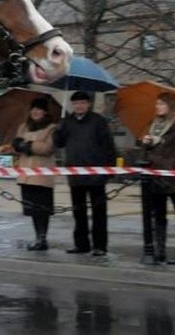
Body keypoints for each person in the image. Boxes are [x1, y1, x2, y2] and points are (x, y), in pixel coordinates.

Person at [53, 91, 116, 256]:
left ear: (88, 104)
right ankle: (81, 244)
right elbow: (59, 143)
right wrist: (58, 130)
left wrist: (109, 170)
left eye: (82, 103)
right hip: (75, 175)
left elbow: (109, 145)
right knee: (78, 212)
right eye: (76, 103)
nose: (79, 106)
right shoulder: (67, 122)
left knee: (98, 213)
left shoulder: (98, 121)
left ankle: (100, 246)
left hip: (96, 175)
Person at [141, 92, 175, 264]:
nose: (158, 107)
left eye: (162, 104)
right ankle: (160, 250)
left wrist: (174, 163)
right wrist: (146, 144)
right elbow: (148, 152)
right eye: (157, 104)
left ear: (171, 106)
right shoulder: (153, 124)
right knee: (158, 214)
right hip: (156, 176)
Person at [1, 96, 58, 251]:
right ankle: (37, 237)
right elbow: (17, 145)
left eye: (39, 109)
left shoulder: (51, 128)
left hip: (42, 176)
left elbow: (47, 148)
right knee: (32, 209)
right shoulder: (23, 127)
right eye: (33, 109)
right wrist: (11, 147)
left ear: (45, 112)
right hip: (26, 175)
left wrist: (27, 145)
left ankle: (42, 238)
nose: (35, 112)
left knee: (42, 209)